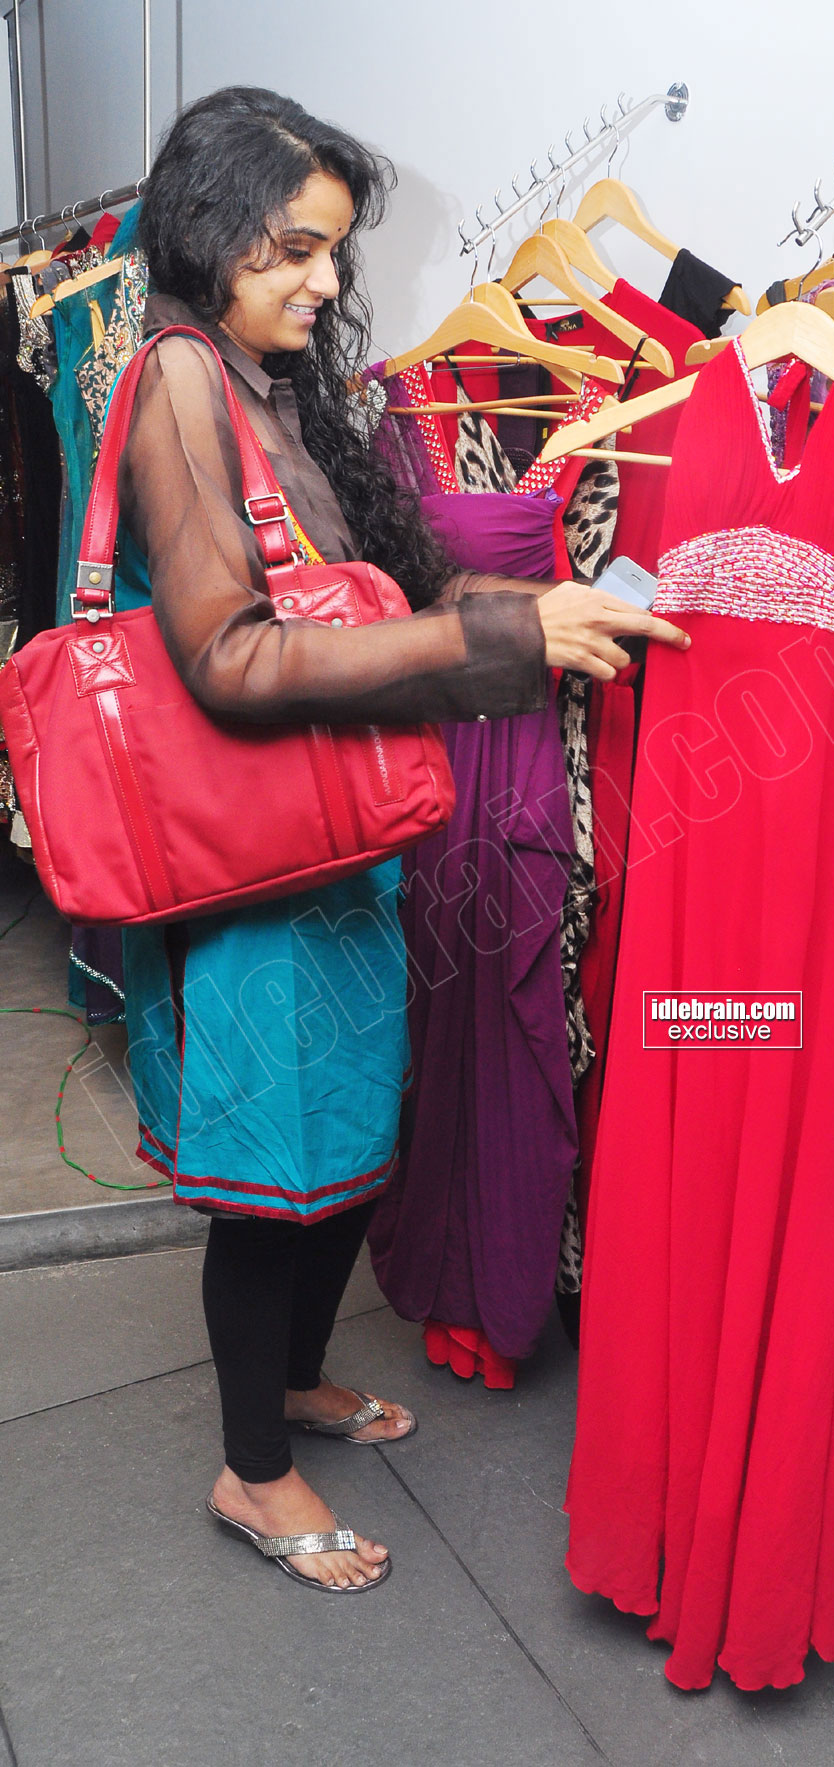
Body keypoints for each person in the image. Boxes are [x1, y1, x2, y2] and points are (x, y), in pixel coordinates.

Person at [120, 85, 689, 1594]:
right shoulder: (177, 379)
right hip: (256, 869)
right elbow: (229, 657)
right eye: (297, 248)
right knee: (272, 1169)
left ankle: (296, 1382)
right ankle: (253, 1471)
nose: (325, 279)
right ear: (214, 230)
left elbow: (371, 600)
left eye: (333, 251)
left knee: (349, 1143)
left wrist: (516, 613)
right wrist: (499, 635)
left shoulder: (262, 381)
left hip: (338, 847)